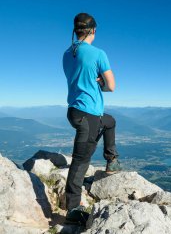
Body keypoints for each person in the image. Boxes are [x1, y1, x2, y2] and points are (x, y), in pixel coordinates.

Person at [62, 12, 122, 224]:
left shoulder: (67, 53)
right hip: (89, 115)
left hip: (74, 111)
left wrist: (92, 80)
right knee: (80, 161)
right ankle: (72, 208)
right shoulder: (98, 54)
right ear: (93, 31)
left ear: (76, 31)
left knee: (110, 121)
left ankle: (111, 161)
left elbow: (78, 79)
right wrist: (100, 83)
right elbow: (111, 86)